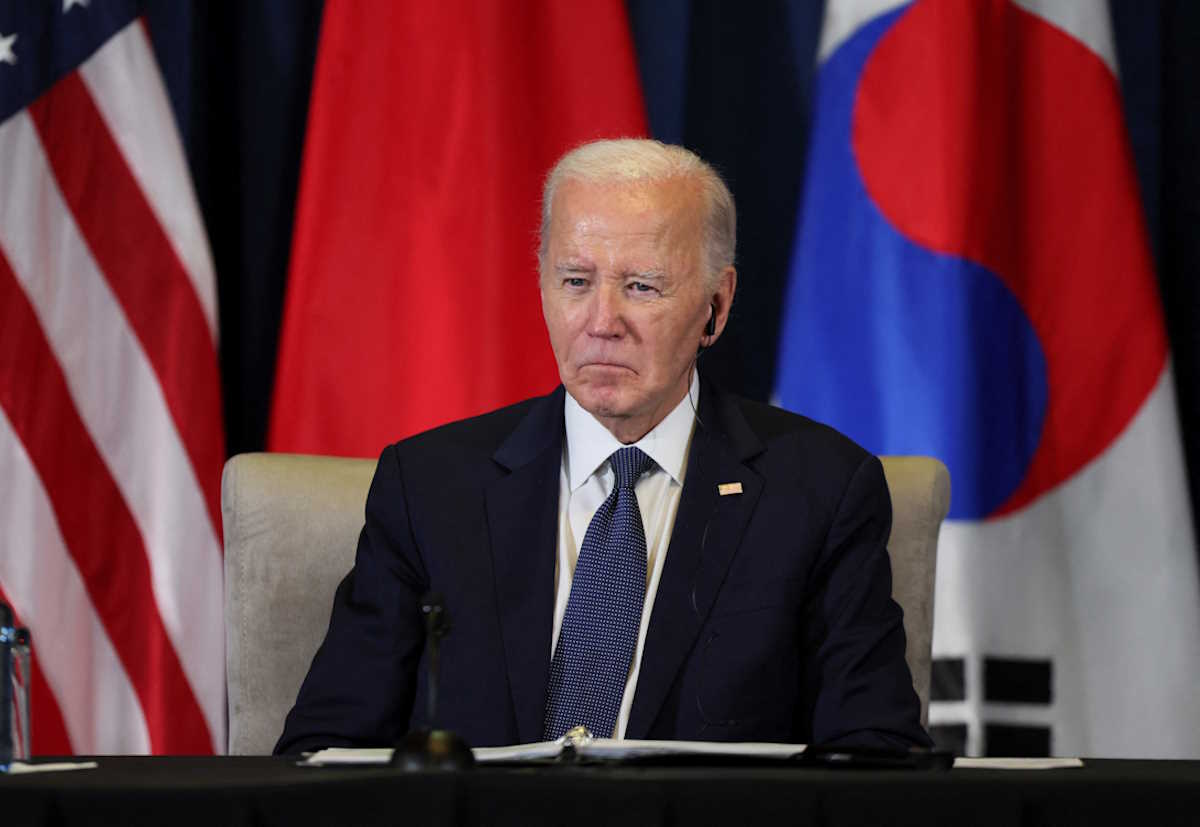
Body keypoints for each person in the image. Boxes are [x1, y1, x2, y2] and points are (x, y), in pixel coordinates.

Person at [275, 139, 930, 754]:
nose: (601, 323)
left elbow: (873, 760)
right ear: (541, 285)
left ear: (716, 306)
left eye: (641, 286)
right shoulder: (429, 489)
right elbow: (324, 754)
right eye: (576, 281)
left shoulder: (819, 493)